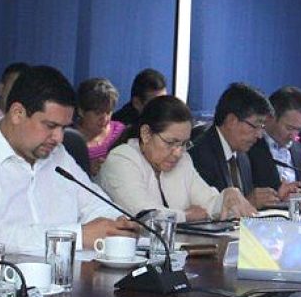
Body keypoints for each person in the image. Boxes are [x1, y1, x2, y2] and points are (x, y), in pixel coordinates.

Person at [0, 64, 136, 254]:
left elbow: (94, 204)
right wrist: (78, 236)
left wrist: (120, 223)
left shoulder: (57, 154)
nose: (59, 138)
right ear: (17, 113)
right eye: (50, 126)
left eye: (63, 127)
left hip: (69, 273)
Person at [98, 96, 256, 221]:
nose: (178, 153)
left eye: (184, 144)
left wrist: (227, 197)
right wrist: (185, 216)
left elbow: (209, 203)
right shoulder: (121, 159)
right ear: (146, 134)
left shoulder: (183, 161)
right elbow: (143, 214)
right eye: (170, 143)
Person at [189, 82, 281, 209]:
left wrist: (277, 196)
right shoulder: (199, 155)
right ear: (231, 120)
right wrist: (248, 202)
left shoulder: (242, 154)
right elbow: (203, 211)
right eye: (255, 125)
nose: (260, 135)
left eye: (262, 126)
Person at [248, 86, 301, 196]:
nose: (294, 136)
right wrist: (278, 195)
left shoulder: (298, 149)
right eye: (289, 128)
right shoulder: (249, 146)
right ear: (270, 117)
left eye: (299, 130)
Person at [74, 78, 127, 175]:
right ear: (81, 111)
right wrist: (85, 169)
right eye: (98, 113)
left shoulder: (120, 132)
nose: (105, 118)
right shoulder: (69, 141)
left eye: (108, 112)